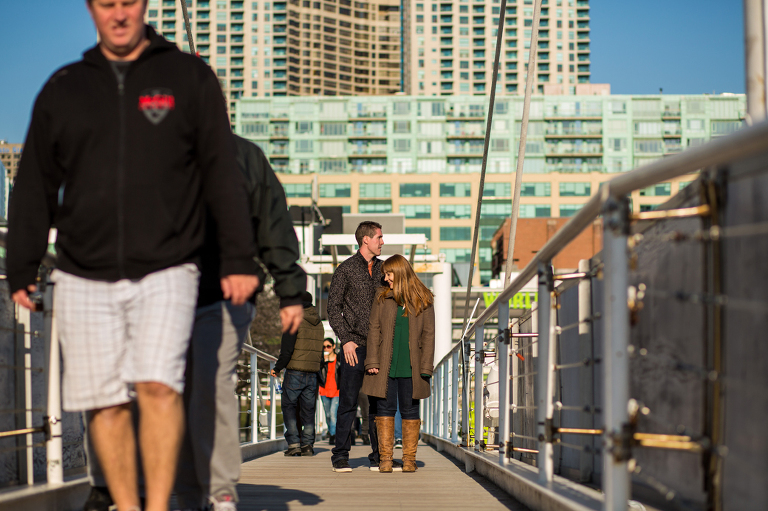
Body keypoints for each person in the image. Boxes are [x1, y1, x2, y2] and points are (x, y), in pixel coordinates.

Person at [6, 2, 260, 511]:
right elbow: (35, 182)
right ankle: (127, 502)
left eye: (128, 2)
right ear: (91, 8)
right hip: (81, 271)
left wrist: (237, 257)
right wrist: (21, 264)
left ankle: (159, 506)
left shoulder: (187, 77)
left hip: (170, 265)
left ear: (143, 5)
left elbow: (219, 172)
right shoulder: (65, 87)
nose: (118, 14)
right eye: (107, 4)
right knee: (104, 403)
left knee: (158, 386)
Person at [83, 135, 307, 511]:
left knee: (212, 384)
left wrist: (290, 288)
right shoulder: (149, 146)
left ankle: (219, 488)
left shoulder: (244, 155)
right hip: (158, 291)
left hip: (225, 294)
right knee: (160, 390)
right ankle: (183, 493)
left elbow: (274, 221)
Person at [362, 254, 435, 473]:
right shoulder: (381, 298)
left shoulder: (424, 299)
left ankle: (409, 460)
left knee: (410, 410)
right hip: (384, 365)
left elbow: (428, 336)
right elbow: (373, 329)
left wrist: (425, 368)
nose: (385, 278)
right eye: (384, 274)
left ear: (401, 273)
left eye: (389, 273)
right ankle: (385, 460)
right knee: (384, 409)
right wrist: (372, 360)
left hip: (411, 366)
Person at [327, 221, 385, 473]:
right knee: (348, 402)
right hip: (353, 347)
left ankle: (378, 457)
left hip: (380, 348)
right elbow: (332, 309)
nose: (383, 242)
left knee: (378, 404)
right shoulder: (345, 269)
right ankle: (340, 456)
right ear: (366, 240)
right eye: (379, 238)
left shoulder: (386, 269)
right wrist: (345, 339)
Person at [270, 292, 325, 457]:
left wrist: (277, 368)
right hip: (312, 373)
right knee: (308, 410)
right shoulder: (319, 323)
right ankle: (308, 445)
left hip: (295, 371)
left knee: (288, 407)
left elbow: (287, 350)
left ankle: (294, 443)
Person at [319, 339, 340, 445]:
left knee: (333, 414)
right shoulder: (322, 361)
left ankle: (333, 435)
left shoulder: (339, 360)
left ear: (333, 347)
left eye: (328, 346)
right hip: (324, 391)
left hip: (337, 391)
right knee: (327, 415)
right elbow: (318, 373)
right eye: (324, 347)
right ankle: (331, 431)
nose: (326, 349)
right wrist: (323, 361)